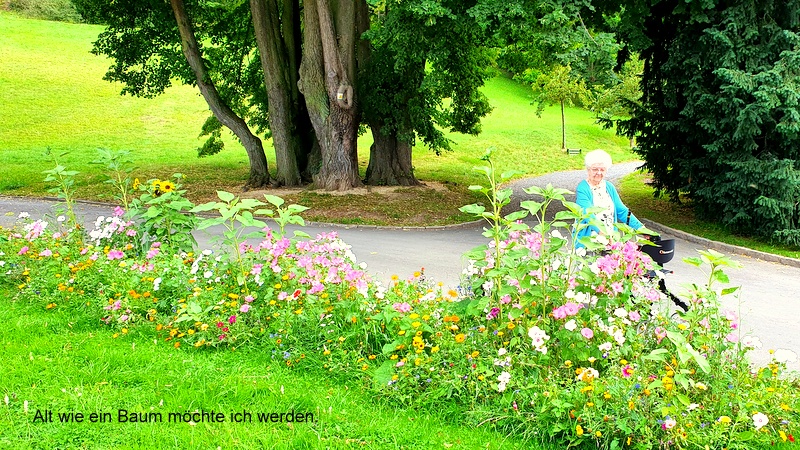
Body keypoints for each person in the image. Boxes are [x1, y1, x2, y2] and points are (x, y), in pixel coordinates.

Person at [574, 149, 643, 247]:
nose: (599, 172)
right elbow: (587, 214)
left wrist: (640, 228)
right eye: (595, 169)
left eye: (602, 169)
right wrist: (603, 233)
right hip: (589, 242)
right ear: (588, 169)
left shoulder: (609, 187)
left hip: (611, 240)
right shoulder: (583, 188)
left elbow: (622, 211)